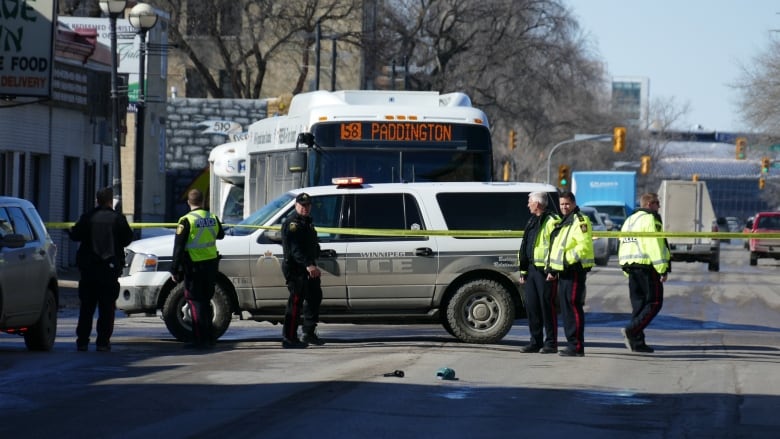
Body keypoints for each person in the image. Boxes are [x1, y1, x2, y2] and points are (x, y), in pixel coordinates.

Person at [70, 186, 134, 352]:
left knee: (86, 308)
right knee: (107, 308)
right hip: (109, 269)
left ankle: (82, 341)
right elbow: (128, 238)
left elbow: (75, 235)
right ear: (110, 200)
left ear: (97, 200)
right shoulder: (117, 219)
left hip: (89, 269)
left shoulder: (88, 217)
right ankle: (103, 342)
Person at [170, 189, 225, 348]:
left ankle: (199, 339)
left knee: (195, 302)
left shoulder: (186, 220)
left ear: (189, 202)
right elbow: (220, 235)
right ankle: (209, 337)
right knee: (206, 301)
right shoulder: (212, 217)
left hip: (194, 267)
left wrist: (175, 269)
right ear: (202, 202)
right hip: (211, 266)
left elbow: (178, 247)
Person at [618, 192, 671, 353]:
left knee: (639, 306)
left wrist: (624, 267)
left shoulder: (630, 220)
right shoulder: (650, 219)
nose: (659, 206)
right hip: (646, 266)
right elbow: (654, 244)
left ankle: (637, 343)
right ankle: (632, 330)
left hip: (631, 266)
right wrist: (662, 268)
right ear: (649, 204)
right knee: (655, 302)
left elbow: (622, 242)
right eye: (657, 203)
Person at [546, 191, 594, 357]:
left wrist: (566, 262)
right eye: (561, 204)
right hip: (564, 272)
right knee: (566, 310)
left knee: (573, 308)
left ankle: (576, 346)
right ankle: (571, 344)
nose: (564, 207)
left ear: (573, 203)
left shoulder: (580, 220)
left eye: (567, 204)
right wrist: (553, 269)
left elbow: (583, 247)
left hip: (574, 271)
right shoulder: (565, 222)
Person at [518, 191, 560, 354]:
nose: (527, 204)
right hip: (532, 270)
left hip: (546, 271)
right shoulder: (532, 220)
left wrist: (552, 269)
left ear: (537, 204)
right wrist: (523, 270)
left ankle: (551, 343)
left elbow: (556, 247)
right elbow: (526, 245)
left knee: (546, 307)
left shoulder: (552, 221)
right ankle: (535, 342)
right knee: (532, 307)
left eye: (529, 202)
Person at [280, 192, 324, 349]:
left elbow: (311, 244)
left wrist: (316, 254)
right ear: (296, 205)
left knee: (314, 297)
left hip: (308, 267)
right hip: (296, 269)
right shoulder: (292, 224)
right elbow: (295, 249)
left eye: (308, 205)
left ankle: (309, 333)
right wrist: (308, 265)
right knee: (296, 303)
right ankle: (289, 338)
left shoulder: (307, 223)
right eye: (302, 205)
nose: (305, 208)